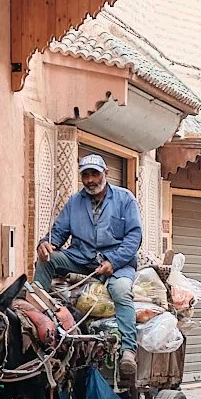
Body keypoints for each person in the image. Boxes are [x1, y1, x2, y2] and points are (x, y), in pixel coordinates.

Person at [35, 153, 143, 384]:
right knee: (47, 260)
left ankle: (128, 350)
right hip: (82, 260)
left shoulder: (125, 199)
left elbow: (134, 237)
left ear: (106, 174)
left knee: (122, 291)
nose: (91, 179)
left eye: (95, 174)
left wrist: (113, 262)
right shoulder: (75, 202)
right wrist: (45, 243)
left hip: (118, 264)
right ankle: (38, 323)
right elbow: (58, 234)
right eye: (86, 175)